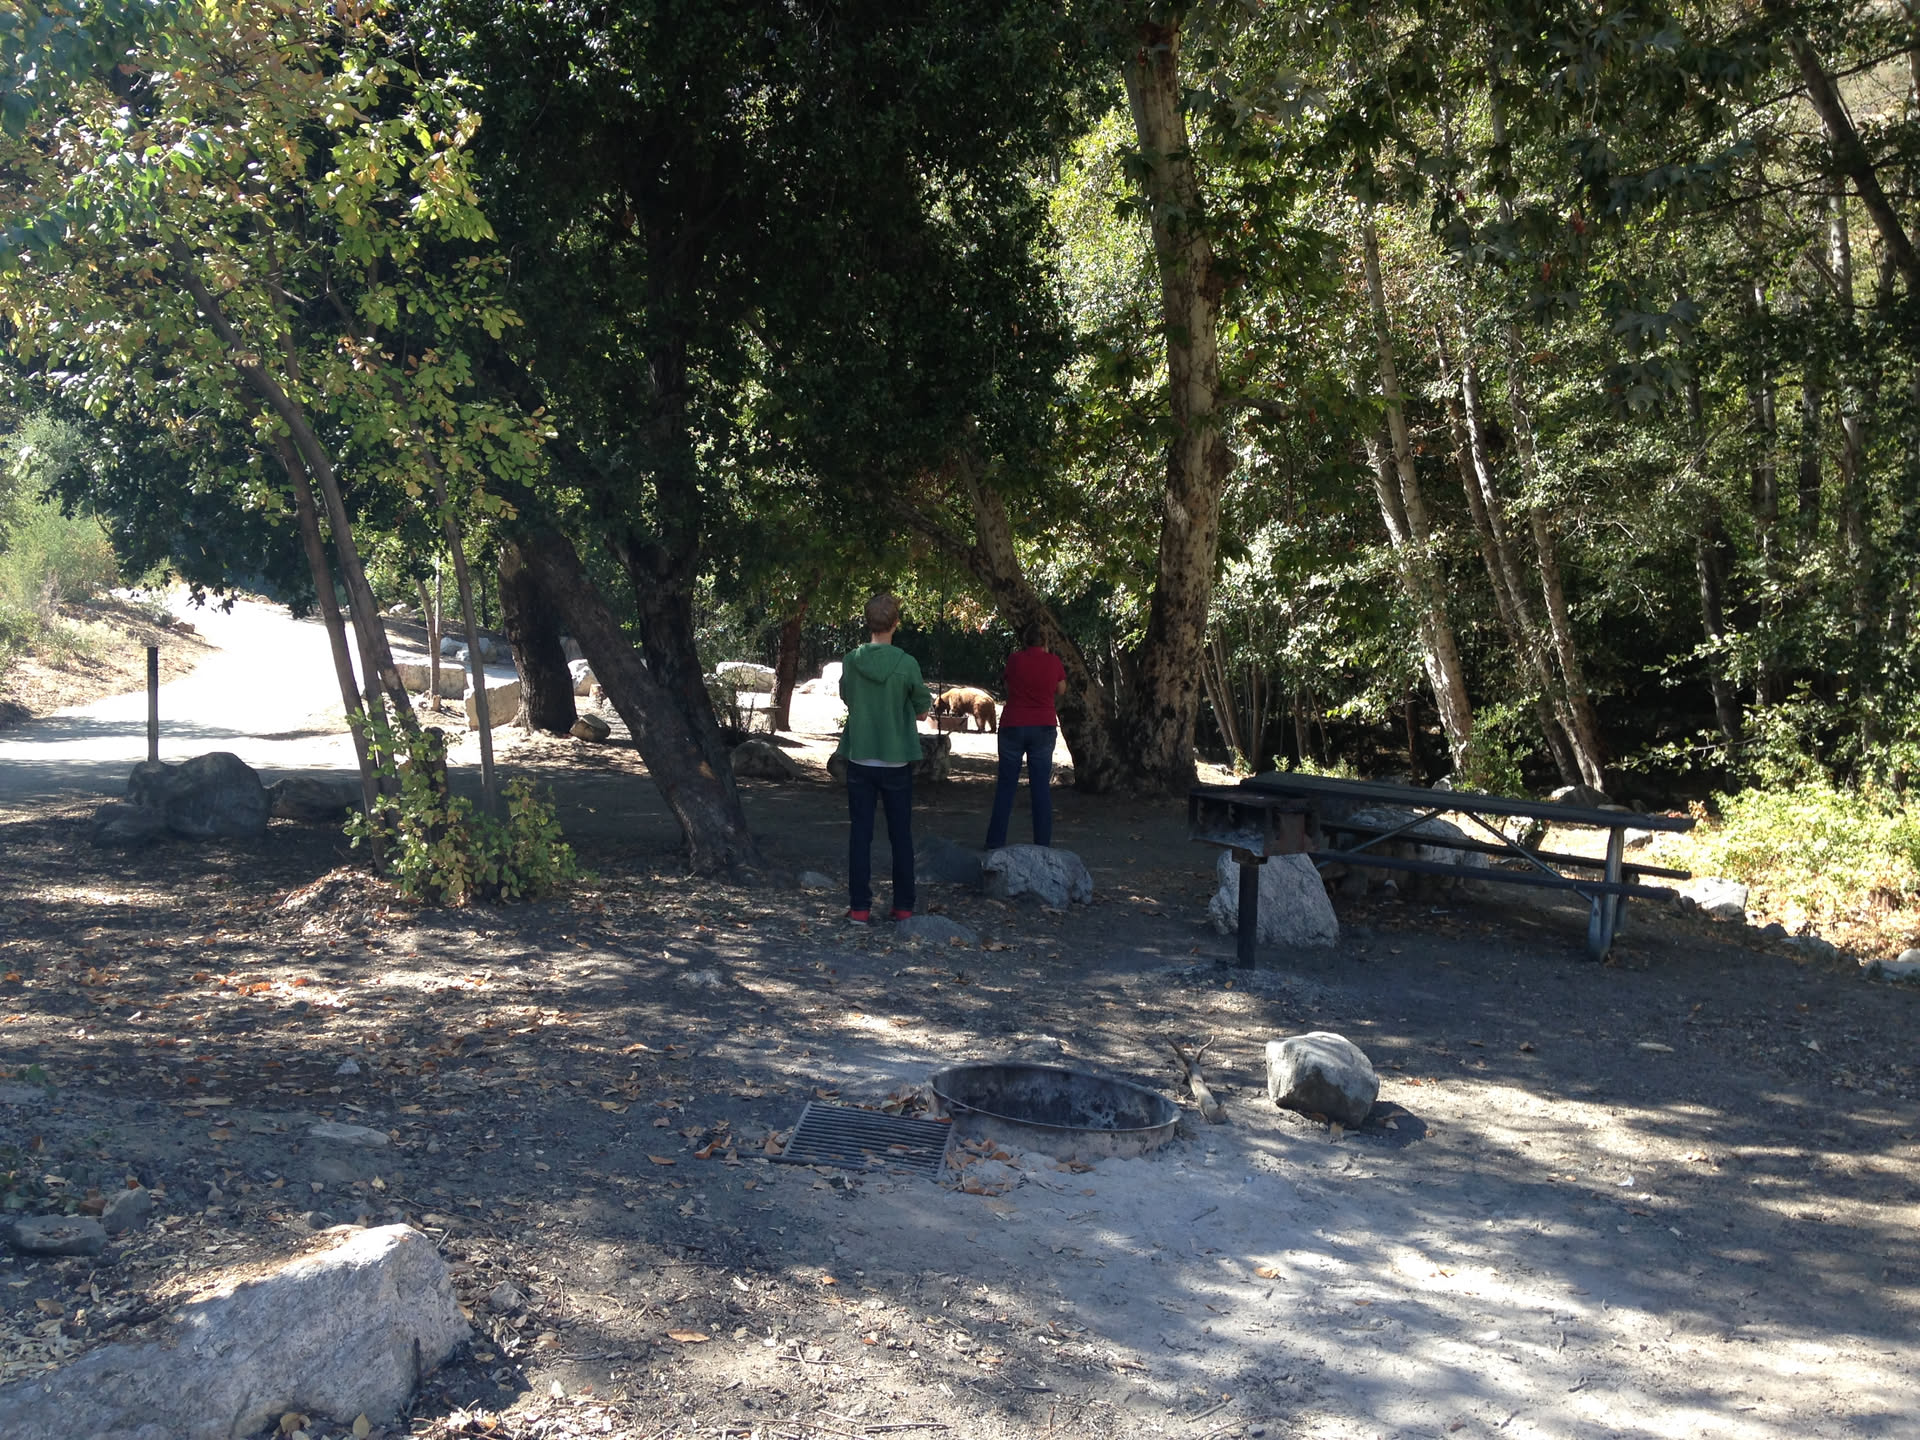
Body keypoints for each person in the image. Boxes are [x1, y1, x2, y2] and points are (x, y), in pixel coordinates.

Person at [837, 593, 933, 923]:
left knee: (860, 835)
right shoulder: (906, 663)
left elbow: (847, 696)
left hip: (860, 757)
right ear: (896, 623)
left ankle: (859, 907)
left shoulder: (851, 660)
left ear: (868, 622)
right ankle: (903, 906)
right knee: (900, 835)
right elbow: (923, 711)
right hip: (896, 760)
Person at [985, 622, 1067, 850]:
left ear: (1025, 640)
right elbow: (1061, 689)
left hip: (1013, 723)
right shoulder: (1054, 662)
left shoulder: (1015, 660)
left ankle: (995, 841)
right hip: (1043, 724)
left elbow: (1008, 685)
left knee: (1006, 785)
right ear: (1046, 641)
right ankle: (1042, 844)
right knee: (1040, 787)